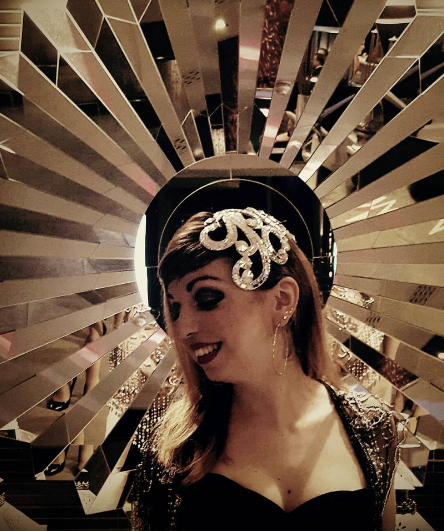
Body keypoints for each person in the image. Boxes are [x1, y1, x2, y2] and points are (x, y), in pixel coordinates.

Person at [131, 208, 402, 531]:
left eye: (207, 298)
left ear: (282, 300)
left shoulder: (373, 428)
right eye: (175, 308)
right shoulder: (174, 447)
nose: (182, 327)